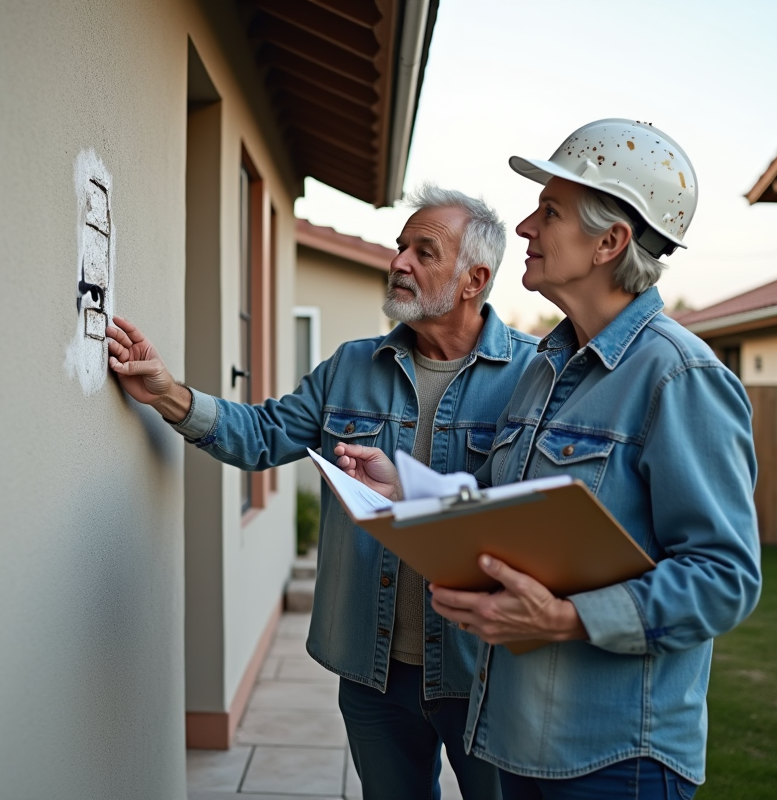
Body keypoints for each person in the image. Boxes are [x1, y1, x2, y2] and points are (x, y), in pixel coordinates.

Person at [334, 121, 762, 799]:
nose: (526, 227)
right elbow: (510, 510)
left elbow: (724, 577)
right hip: (518, 740)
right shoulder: (545, 369)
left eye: (551, 211)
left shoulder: (678, 378)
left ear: (610, 242)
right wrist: (412, 489)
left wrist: (565, 619)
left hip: (618, 761)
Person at [107, 184, 540, 799]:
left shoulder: (534, 376)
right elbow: (263, 435)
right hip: (375, 671)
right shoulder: (351, 367)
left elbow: (531, 515)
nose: (399, 262)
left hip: (487, 672)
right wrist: (169, 394)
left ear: (474, 279)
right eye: (400, 247)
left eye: (423, 251)